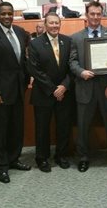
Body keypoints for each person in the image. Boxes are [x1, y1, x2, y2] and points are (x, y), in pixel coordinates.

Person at [69, 0, 107, 172]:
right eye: (92, 14)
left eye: (98, 14)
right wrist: (81, 72)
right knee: (83, 125)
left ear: (102, 14)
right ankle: (83, 157)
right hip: (84, 88)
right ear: (86, 15)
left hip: (106, 89)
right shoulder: (76, 37)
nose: (95, 17)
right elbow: (72, 61)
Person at [0, 1, 31, 183]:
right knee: (1, 131)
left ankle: (13, 159)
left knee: (17, 128)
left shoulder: (20, 32)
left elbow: (23, 61)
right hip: (1, 92)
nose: (7, 17)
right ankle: (1, 166)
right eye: (3, 14)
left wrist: (26, 81)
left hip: (18, 89)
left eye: (10, 13)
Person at [27, 12, 73, 173]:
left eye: (57, 23)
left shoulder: (67, 41)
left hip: (64, 93)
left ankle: (61, 155)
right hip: (43, 93)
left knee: (63, 126)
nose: (54, 26)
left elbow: (72, 67)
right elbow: (34, 69)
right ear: (45, 25)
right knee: (42, 128)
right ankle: (42, 158)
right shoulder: (35, 43)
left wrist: (64, 86)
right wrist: (53, 89)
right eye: (51, 23)